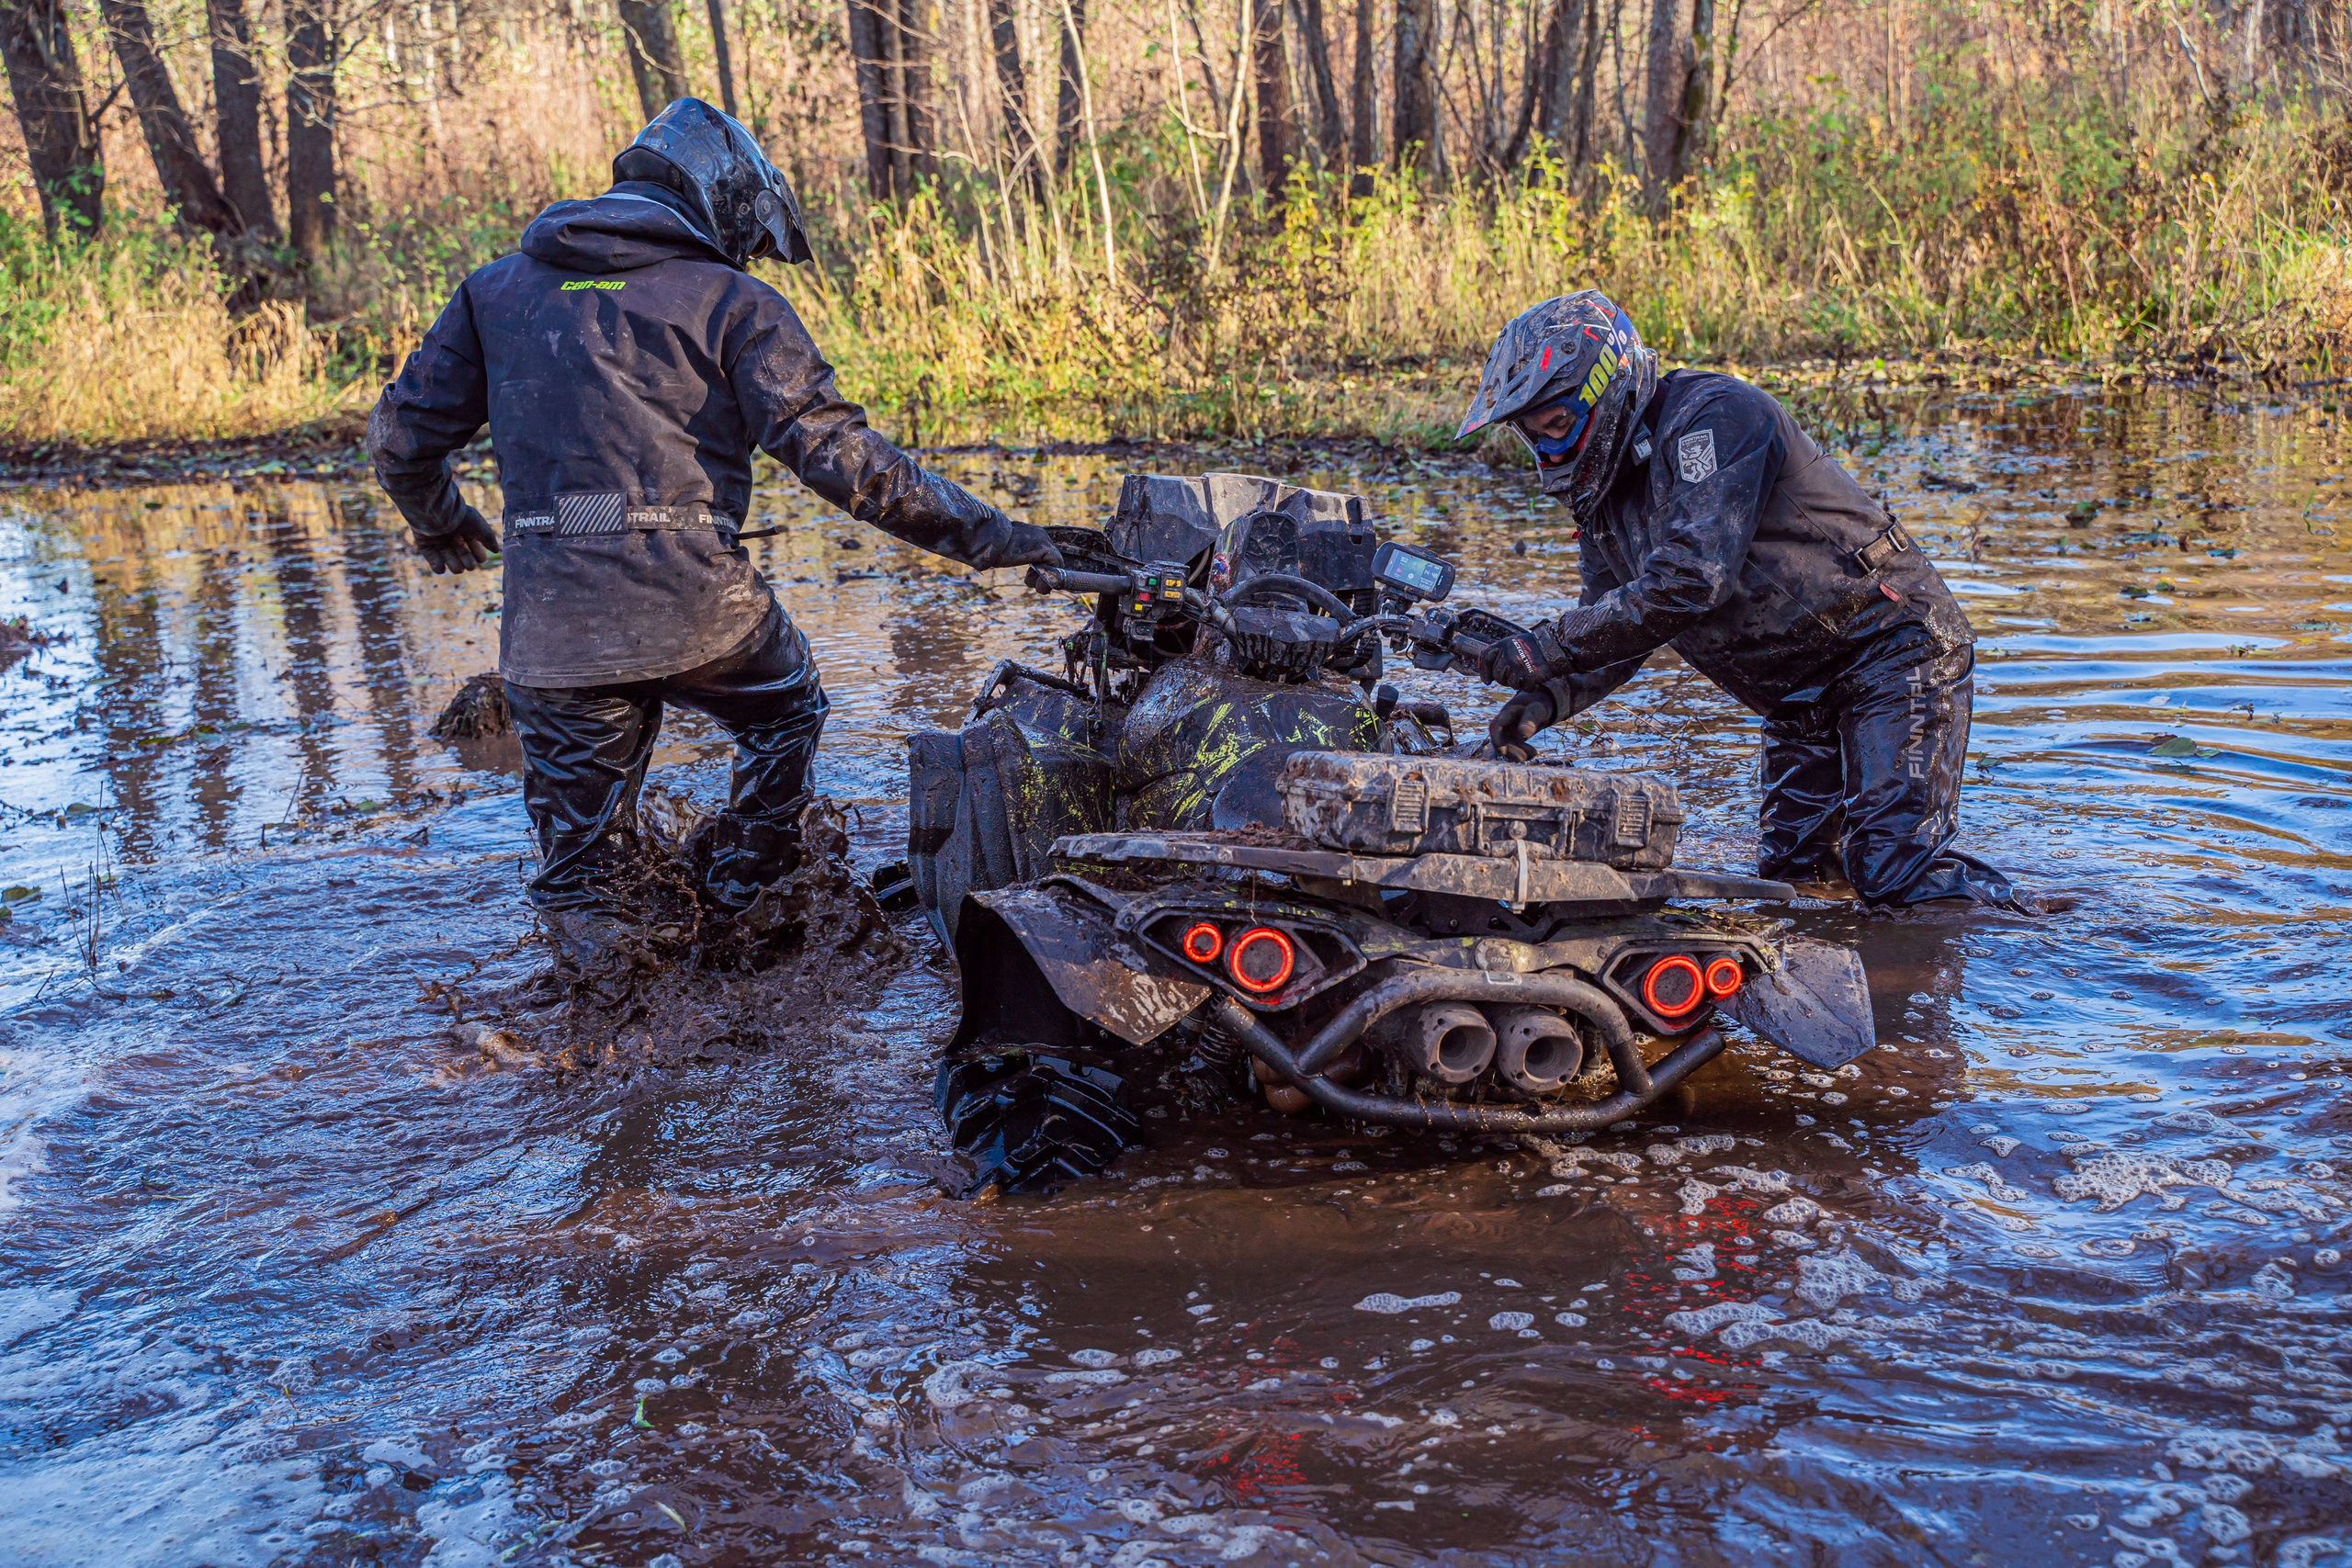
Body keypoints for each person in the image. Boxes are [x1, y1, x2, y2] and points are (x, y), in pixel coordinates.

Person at [368, 99, 1060, 958]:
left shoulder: (494, 291)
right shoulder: (733, 301)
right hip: (702, 608)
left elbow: (400, 441)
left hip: (552, 630)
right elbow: (848, 463)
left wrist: (440, 523)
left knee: (582, 883)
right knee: (786, 714)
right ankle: (737, 893)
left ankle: (601, 1050)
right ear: (720, 203)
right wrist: (1004, 539)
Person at [1458, 289, 2015, 908]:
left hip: (1891, 651)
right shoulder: (1603, 499)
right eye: (1535, 435)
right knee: (1790, 886)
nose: (1551, 452)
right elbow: (1618, 627)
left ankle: (2046, 933)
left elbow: (1693, 577)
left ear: (1605, 388)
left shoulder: (1715, 418)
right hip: (1797, 695)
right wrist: (1545, 698)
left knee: (1893, 871)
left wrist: (1545, 646)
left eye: (1559, 425)